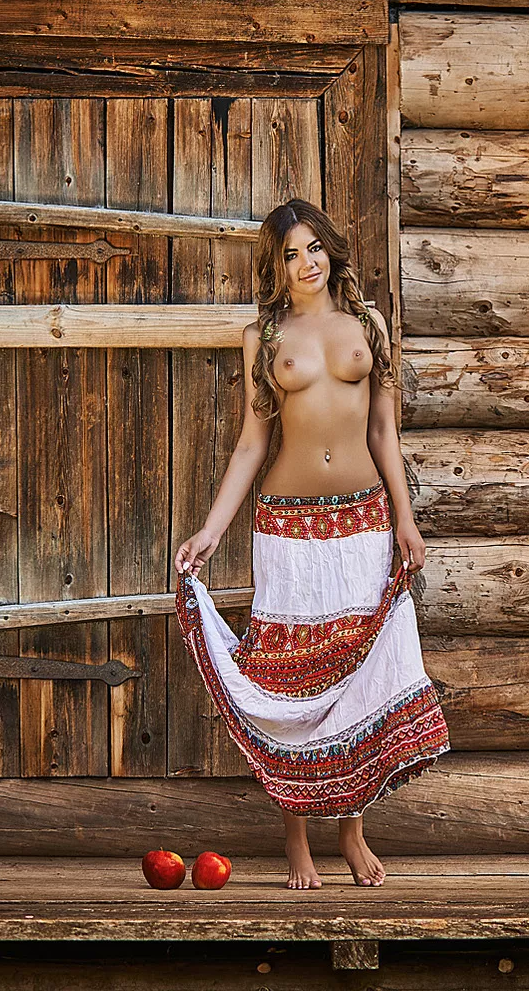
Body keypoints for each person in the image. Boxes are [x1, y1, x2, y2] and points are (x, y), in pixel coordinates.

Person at [173, 198, 451, 891]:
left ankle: (352, 831)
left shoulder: (368, 325)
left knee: (355, 676)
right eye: (291, 253)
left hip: (363, 521)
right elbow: (250, 442)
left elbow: (385, 432)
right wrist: (211, 529)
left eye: (314, 247)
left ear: (331, 250)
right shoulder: (262, 338)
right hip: (287, 529)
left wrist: (405, 520)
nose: (306, 262)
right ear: (276, 266)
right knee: (288, 675)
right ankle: (296, 840)